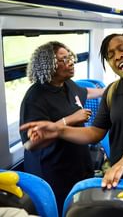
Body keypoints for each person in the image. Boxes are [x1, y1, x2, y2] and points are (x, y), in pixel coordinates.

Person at [20, 34, 123, 211]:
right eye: (110, 55)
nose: (117, 56)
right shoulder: (112, 91)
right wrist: (59, 130)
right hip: (119, 175)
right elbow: (94, 132)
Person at [19, 41, 104, 215]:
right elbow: (31, 143)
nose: (70, 62)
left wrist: (109, 91)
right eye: (63, 59)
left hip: (77, 164)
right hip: (54, 171)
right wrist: (69, 120)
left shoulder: (67, 85)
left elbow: (85, 92)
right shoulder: (35, 98)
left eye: (70, 57)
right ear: (48, 66)